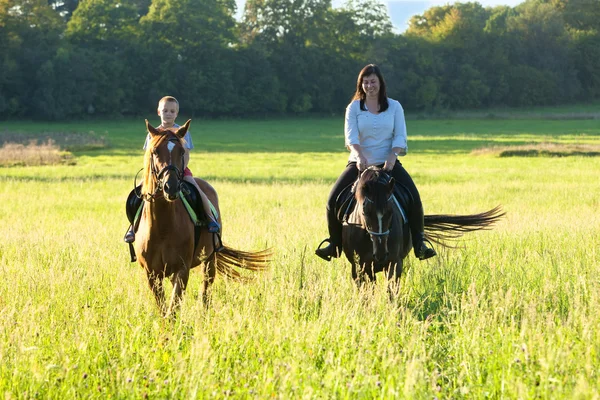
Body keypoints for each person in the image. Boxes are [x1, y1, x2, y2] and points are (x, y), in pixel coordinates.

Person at [315, 64, 436, 261]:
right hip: (359, 163)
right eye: (366, 82)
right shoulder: (354, 108)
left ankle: (419, 243)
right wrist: (359, 154)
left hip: (387, 163)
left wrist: (393, 155)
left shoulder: (395, 106)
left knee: (414, 197)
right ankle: (334, 244)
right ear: (360, 84)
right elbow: (351, 136)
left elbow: (400, 135)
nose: (369, 85)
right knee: (332, 200)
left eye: (373, 81)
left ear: (380, 83)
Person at [123, 96, 220, 243]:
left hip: (179, 170)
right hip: (157, 172)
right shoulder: (153, 133)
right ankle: (133, 225)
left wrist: (180, 170)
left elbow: (186, 154)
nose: (168, 113)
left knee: (197, 190)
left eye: (172, 111)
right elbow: (148, 156)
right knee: (138, 193)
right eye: (165, 110)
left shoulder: (182, 132)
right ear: (158, 112)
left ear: (176, 113)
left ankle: (209, 218)